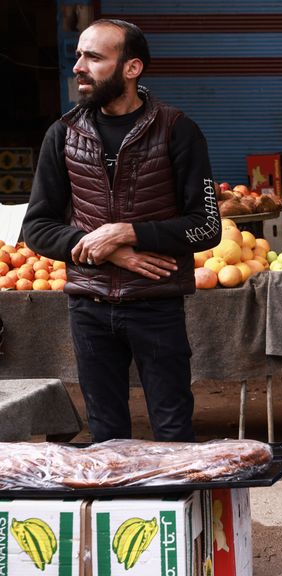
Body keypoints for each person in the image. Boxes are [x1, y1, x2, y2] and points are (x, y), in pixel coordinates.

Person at [23, 19, 221, 442]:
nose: (78, 66)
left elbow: (206, 227)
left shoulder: (177, 130)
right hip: (89, 307)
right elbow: (37, 228)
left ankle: (174, 509)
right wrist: (104, 248)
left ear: (132, 68)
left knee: (173, 431)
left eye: (94, 57)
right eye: (78, 55)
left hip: (156, 306)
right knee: (107, 436)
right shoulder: (62, 135)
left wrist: (127, 232)